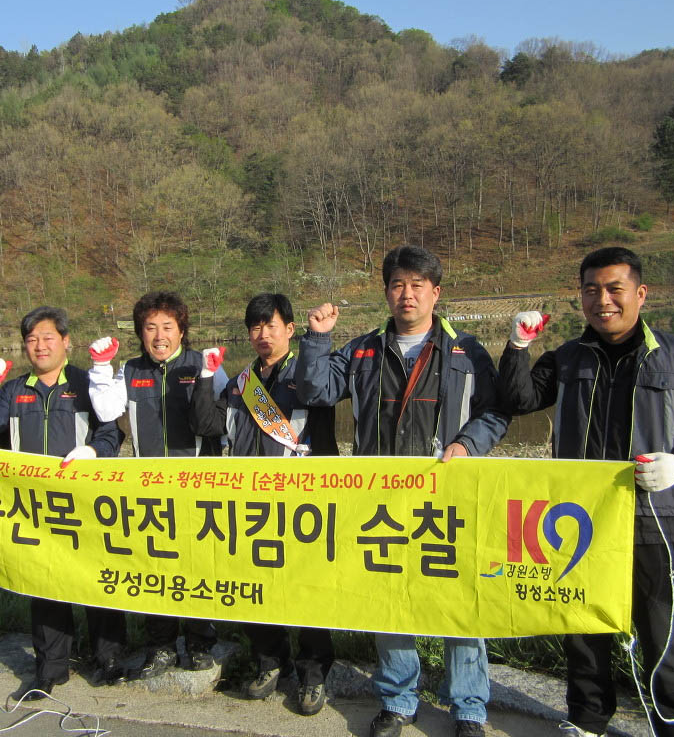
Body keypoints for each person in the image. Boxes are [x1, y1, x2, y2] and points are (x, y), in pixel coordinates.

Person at [497, 246, 674, 737]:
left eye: (614, 289)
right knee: (582, 623)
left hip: (655, 517)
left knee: (661, 630)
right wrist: (518, 348)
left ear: (640, 293)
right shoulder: (568, 357)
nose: (602, 300)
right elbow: (519, 399)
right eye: (591, 290)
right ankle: (587, 719)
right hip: (580, 516)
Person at [295, 246, 509, 737]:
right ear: (387, 293)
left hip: (447, 499)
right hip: (382, 502)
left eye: (417, 285)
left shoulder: (466, 351)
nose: (406, 294)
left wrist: (467, 444)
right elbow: (315, 391)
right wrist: (317, 339)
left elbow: (496, 412)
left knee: (458, 601)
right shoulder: (363, 350)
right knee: (389, 600)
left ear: (436, 292)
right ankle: (398, 699)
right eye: (397, 285)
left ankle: (469, 708)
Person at [190, 292, 338, 716]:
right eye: (255, 327)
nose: (263, 334)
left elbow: (325, 439)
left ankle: (313, 672)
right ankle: (271, 660)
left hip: (300, 503)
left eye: (271, 325)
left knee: (306, 588)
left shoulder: (308, 376)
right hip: (251, 505)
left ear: (290, 329)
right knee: (256, 586)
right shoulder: (240, 384)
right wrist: (206, 376)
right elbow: (206, 424)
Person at [0, 306, 123, 701]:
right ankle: (50, 668)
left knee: (96, 579)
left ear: (66, 341)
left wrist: (93, 451)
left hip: (84, 503)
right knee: (44, 584)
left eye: (48, 337)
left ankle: (107, 658)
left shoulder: (87, 383)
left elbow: (111, 434)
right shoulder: (13, 390)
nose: (40, 346)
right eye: (32, 339)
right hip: (34, 507)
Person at [86, 291, 227, 679]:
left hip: (198, 489)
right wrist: (100, 367)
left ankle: (200, 641)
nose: (159, 336)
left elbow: (220, 424)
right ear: (140, 333)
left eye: (168, 326)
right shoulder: (131, 370)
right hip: (150, 490)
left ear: (182, 330)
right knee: (156, 567)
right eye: (150, 328)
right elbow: (107, 410)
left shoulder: (203, 364)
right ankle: (161, 645)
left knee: (198, 566)